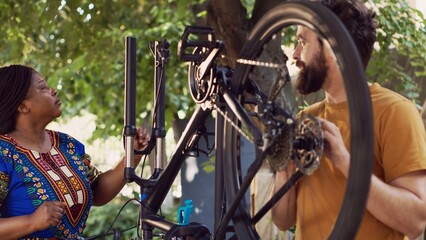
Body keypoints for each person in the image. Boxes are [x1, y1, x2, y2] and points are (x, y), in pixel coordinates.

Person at [271, 0, 426, 239]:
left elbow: (415, 222)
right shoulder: (306, 118)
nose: (295, 54)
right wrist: (284, 167)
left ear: (335, 49)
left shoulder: (395, 112)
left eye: (303, 41)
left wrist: (344, 161)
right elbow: (282, 220)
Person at [0, 64, 150, 239]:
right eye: (43, 87)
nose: (53, 91)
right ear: (23, 106)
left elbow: (98, 192)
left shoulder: (67, 145)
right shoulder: (3, 154)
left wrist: (133, 156)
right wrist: (32, 221)